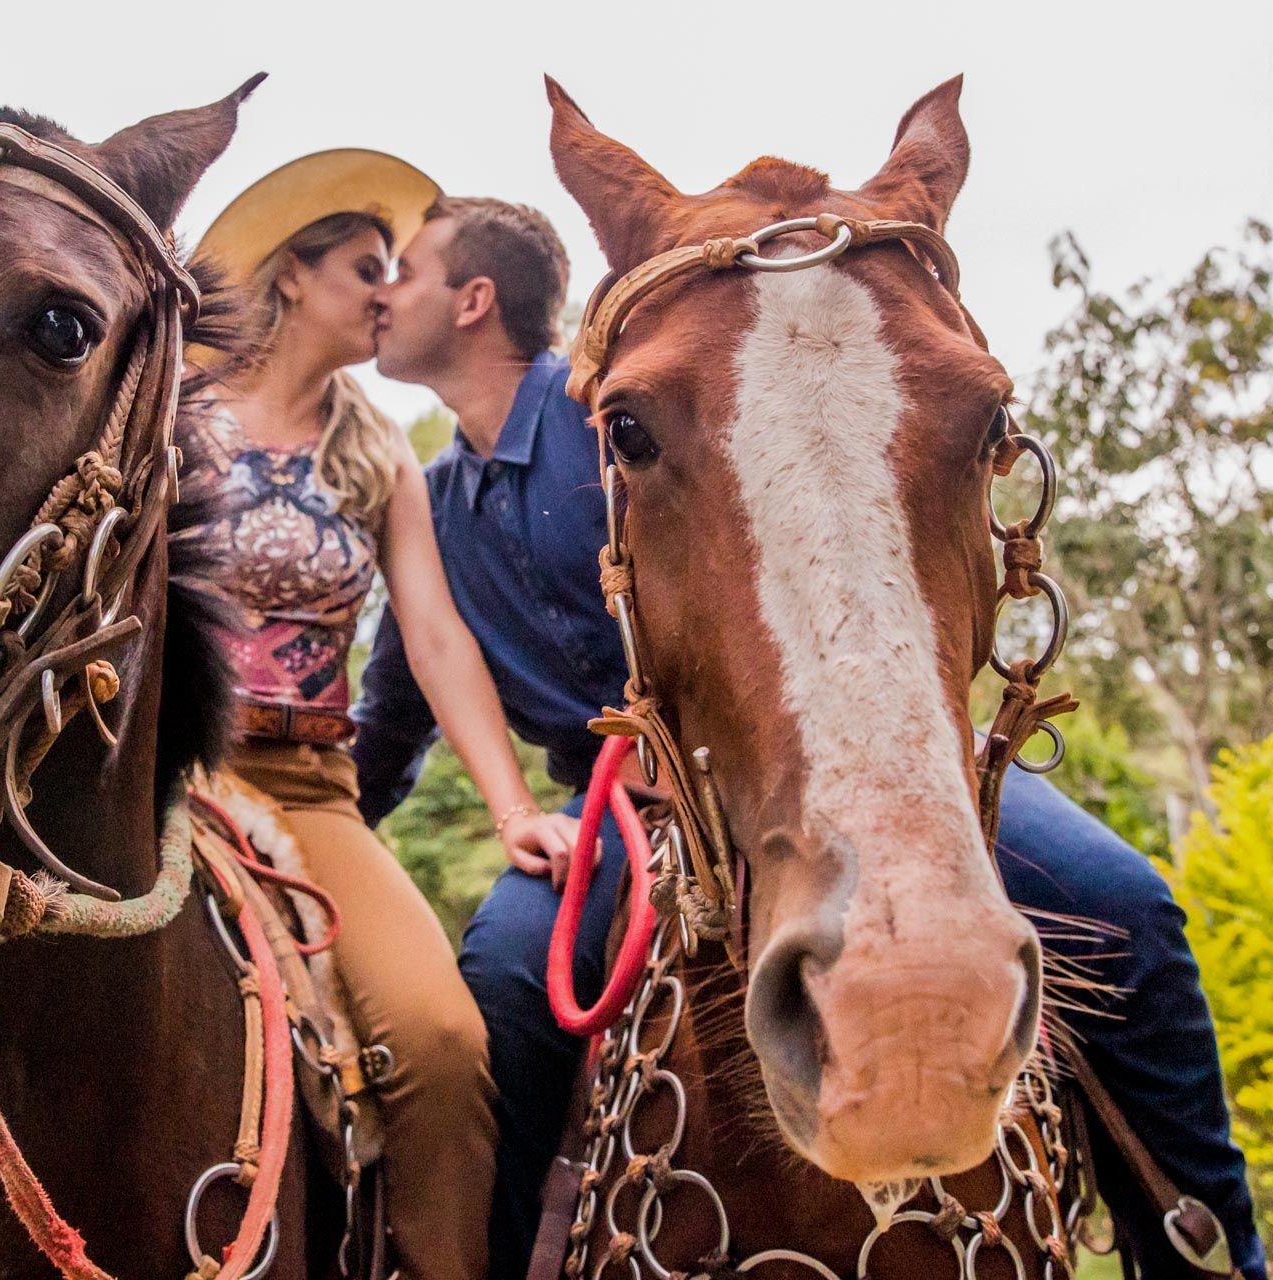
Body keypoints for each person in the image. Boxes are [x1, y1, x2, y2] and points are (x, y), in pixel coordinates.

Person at [350, 195, 1267, 1280]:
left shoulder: (656, 400)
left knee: (1124, 909)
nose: (376, 293)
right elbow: (396, 716)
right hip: (614, 811)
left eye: (397, 269)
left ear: (473, 299)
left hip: (838, 746)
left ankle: (1207, 1252)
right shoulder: (436, 510)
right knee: (500, 985)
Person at [179, 150, 580, 1280]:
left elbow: (438, 639)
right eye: (364, 267)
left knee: (445, 1044)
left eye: (394, 269)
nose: (382, 290)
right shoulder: (170, 413)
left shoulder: (379, 451)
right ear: (292, 277)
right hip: (156, 768)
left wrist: (512, 811)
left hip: (312, 793)